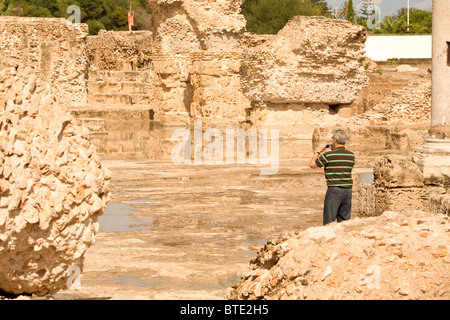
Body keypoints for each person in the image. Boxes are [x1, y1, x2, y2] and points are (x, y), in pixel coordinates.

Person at [310, 129, 355, 225]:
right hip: (348, 191)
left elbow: (312, 164)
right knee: (344, 222)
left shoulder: (328, 155)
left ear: (334, 140)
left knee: (329, 222)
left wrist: (318, 151)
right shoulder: (351, 155)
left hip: (334, 190)